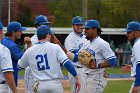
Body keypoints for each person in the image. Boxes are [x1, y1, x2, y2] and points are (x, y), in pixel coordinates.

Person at [18, 25, 81, 93]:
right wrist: (77, 77)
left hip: (39, 85)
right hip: (54, 84)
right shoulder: (55, 47)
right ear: (48, 35)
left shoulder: (30, 50)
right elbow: (67, 63)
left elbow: (20, 66)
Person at [81, 19, 116, 93]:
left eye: (87, 29)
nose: (85, 31)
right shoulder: (87, 43)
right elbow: (76, 57)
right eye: (84, 29)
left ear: (95, 30)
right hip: (87, 76)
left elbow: (112, 60)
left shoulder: (102, 43)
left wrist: (98, 66)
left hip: (96, 77)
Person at [24, 15, 52, 93]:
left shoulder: (47, 39)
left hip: (42, 73)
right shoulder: (32, 40)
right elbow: (27, 59)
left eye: (47, 25)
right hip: (31, 73)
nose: (47, 27)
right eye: (45, 24)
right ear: (37, 26)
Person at [1, 21, 31, 86]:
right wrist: (29, 44)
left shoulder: (3, 40)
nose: (21, 32)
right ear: (13, 32)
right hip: (8, 81)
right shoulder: (12, 45)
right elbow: (25, 59)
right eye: (19, 31)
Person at [64, 16, 87, 93]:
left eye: (81, 25)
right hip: (76, 70)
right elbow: (73, 57)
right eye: (77, 25)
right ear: (73, 26)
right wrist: (86, 53)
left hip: (86, 69)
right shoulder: (70, 38)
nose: (79, 27)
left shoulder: (85, 36)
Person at [122, 21, 140, 93]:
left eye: (129, 32)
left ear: (137, 32)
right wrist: (133, 67)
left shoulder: (138, 45)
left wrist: (137, 84)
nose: (127, 34)